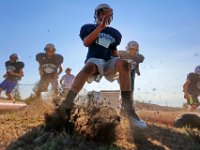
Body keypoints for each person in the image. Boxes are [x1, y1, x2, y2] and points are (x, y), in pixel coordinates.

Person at [46, 4, 147, 129]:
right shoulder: (88, 27)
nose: (105, 16)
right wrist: (100, 27)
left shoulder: (114, 33)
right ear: (97, 14)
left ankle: (129, 111)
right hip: (94, 60)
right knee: (89, 67)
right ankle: (67, 104)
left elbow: (113, 49)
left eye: (108, 14)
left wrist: (120, 60)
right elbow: (86, 42)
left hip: (108, 61)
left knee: (124, 63)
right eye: (102, 13)